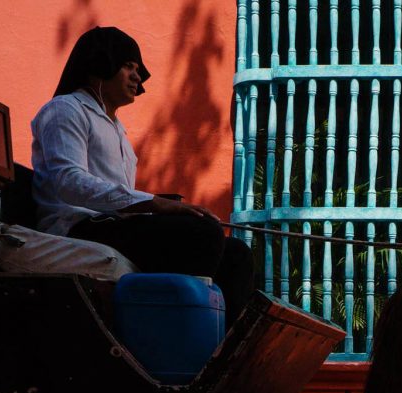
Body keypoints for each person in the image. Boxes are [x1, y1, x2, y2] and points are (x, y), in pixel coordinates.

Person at [31, 26, 254, 320]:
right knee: (201, 235)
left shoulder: (118, 129)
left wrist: (162, 209)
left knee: (237, 253)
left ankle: (223, 342)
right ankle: (177, 325)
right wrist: (156, 203)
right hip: (79, 227)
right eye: (128, 66)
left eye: (137, 69)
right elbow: (69, 183)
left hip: (114, 226)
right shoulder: (66, 109)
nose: (137, 77)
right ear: (101, 65)